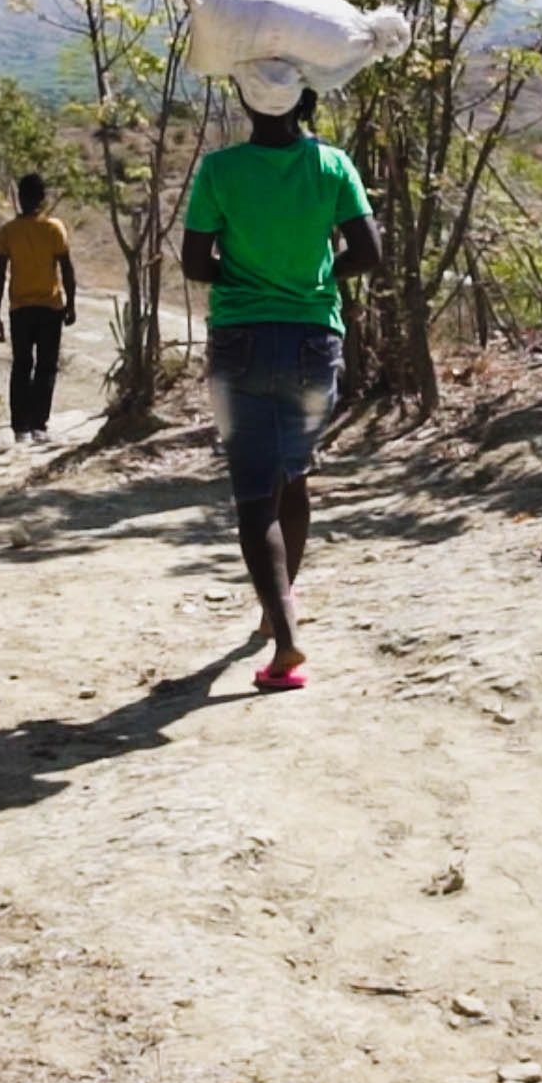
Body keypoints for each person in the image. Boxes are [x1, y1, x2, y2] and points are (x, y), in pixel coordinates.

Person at [181, 85, 379, 692]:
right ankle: (275, 609)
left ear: (247, 102)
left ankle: (287, 637)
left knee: (252, 495)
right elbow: (368, 251)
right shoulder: (332, 164)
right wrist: (313, 274)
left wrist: (243, 277)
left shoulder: (220, 170)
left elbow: (194, 263)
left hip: (241, 338)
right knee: (293, 475)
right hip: (313, 340)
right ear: (305, 100)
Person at [0, 173, 77, 444]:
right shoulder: (54, 229)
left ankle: (20, 428)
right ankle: (39, 425)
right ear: (42, 198)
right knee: (46, 367)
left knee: (21, 366)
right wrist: (71, 304)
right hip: (50, 307)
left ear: (20, 197)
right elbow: (66, 268)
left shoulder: (7, 232)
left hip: (20, 309)